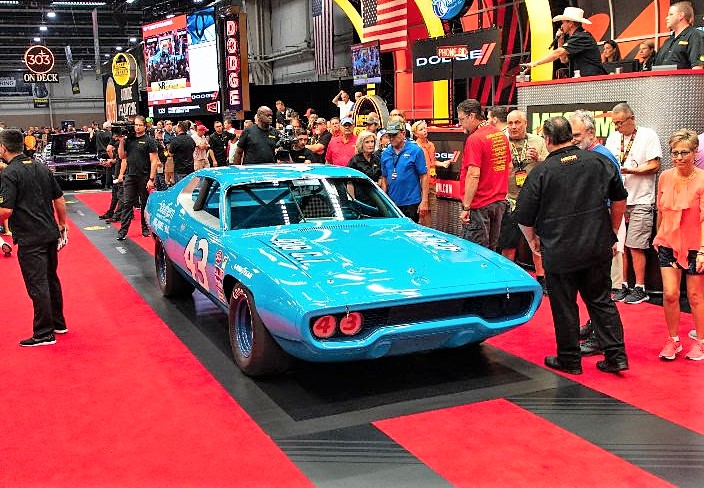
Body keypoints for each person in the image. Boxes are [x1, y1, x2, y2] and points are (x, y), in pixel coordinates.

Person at [514, 116, 629, 375]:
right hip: (596, 244)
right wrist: (612, 230)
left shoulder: (542, 171)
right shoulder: (598, 161)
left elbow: (523, 215)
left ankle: (570, 359)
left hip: (559, 248)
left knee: (564, 305)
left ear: (547, 139)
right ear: (571, 135)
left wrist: (532, 241)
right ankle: (616, 356)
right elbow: (620, 197)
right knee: (601, 300)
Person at [0, 128, 68, 346]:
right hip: (49, 232)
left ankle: (44, 333)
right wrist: (62, 223)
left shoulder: (10, 174)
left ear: (3, 148)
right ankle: (58, 323)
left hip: (30, 237)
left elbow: (6, 210)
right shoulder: (41, 167)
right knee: (50, 279)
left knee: (37, 284)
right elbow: (59, 198)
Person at [653, 130, 704, 361]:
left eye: (684, 152)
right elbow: (661, 210)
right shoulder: (665, 177)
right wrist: (658, 236)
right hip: (668, 243)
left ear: (695, 152)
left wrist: (703, 250)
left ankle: (701, 342)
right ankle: (673, 340)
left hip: (696, 246)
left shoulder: (702, 179)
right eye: (675, 153)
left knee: (694, 296)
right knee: (670, 294)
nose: (679, 157)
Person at [605, 102, 661, 305]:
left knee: (635, 244)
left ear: (632, 118)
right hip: (619, 199)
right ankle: (623, 285)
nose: (617, 127)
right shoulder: (613, 138)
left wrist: (630, 170)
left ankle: (640, 287)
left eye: (620, 122)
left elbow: (655, 165)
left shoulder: (648, 135)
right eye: (614, 123)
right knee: (620, 245)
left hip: (641, 199)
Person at [500, 110, 548, 291]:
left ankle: (542, 280)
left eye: (517, 122)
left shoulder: (538, 141)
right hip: (508, 199)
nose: (513, 127)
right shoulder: (501, 141)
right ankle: (507, 280)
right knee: (508, 243)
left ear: (525, 123)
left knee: (537, 241)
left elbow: (550, 165)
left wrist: (538, 159)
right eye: (510, 123)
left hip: (533, 199)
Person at [457, 98, 511, 251]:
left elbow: (473, 174)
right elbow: (509, 166)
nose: (461, 124)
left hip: (479, 205)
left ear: (472, 116)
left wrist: (466, 207)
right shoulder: (500, 135)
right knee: (491, 250)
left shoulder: (475, 139)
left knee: (475, 252)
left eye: (461, 119)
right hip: (498, 203)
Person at [521, 7, 606, 77]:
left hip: (592, 78)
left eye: (563, 22)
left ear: (571, 23)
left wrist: (535, 63)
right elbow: (564, 59)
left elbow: (558, 53)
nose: (561, 26)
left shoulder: (581, 37)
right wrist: (560, 40)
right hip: (584, 78)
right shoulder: (575, 38)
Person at [116, 115, 160, 241]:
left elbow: (154, 161)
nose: (137, 127)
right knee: (127, 203)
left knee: (144, 203)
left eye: (140, 125)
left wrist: (151, 179)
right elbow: (122, 156)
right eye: (136, 125)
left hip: (144, 176)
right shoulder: (129, 140)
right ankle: (123, 230)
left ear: (145, 126)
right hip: (130, 176)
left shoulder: (149, 141)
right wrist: (121, 141)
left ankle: (145, 228)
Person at [379, 121, 429, 222]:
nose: (391, 138)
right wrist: (384, 202)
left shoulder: (415, 150)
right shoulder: (385, 153)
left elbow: (424, 176)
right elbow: (384, 178)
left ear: (403, 133)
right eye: (389, 135)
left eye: (394, 135)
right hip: (392, 203)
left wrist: (424, 201)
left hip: (411, 202)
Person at [412, 120, 446, 228]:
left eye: (425, 128)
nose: (424, 131)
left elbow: (432, 161)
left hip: (431, 181)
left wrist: (442, 164)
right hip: (420, 183)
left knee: (429, 209)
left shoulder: (431, 145)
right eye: (421, 129)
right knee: (422, 210)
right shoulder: (415, 147)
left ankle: (428, 229)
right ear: (415, 133)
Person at [653, 2, 704, 69]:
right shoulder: (667, 42)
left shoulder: (695, 35)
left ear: (681, 15)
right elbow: (655, 68)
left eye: (671, 14)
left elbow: (697, 68)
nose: (666, 18)